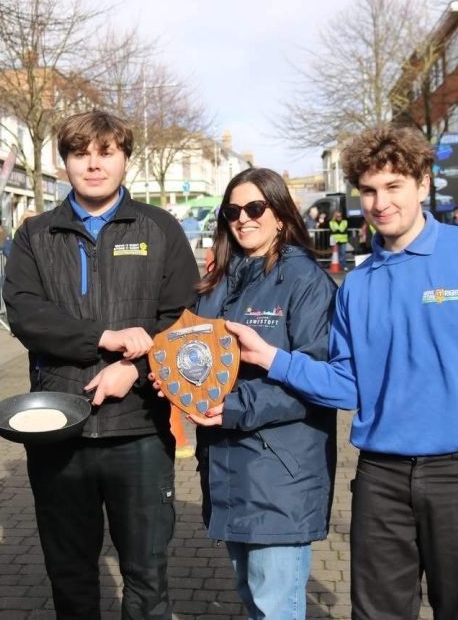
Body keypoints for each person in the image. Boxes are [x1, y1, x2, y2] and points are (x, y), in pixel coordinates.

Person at [224, 125, 458, 620]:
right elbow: (348, 385)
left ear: (422, 185)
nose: (381, 202)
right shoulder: (356, 285)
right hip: (381, 479)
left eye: (394, 186)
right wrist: (273, 358)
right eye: (370, 190)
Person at [3, 110, 199, 620]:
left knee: (147, 575)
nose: (93, 165)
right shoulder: (35, 235)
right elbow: (26, 314)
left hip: (140, 430)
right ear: (64, 161)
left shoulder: (160, 228)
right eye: (80, 153)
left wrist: (135, 369)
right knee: (69, 575)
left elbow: (181, 320)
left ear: (125, 159)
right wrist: (103, 337)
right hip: (57, 431)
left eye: (106, 152)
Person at [187, 167, 337, 619]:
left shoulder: (305, 281)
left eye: (256, 208)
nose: (243, 219)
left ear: (280, 214)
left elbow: (319, 379)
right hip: (227, 466)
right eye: (233, 210)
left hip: (280, 475)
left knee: (275, 607)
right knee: (254, 599)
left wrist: (233, 407)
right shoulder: (218, 282)